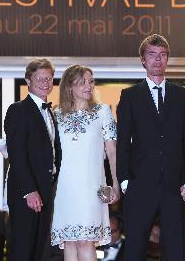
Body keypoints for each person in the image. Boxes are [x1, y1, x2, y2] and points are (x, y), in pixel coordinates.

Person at [116, 34, 185, 260]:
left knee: (176, 247)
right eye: (152, 55)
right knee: (134, 246)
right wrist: (124, 180)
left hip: (175, 185)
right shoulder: (129, 96)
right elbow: (123, 142)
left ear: (167, 59)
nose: (157, 60)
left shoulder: (182, 95)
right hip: (139, 183)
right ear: (143, 60)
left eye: (162, 55)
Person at [50, 65, 119, 260]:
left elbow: (112, 152)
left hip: (91, 186)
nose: (89, 86)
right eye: (83, 82)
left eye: (91, 81)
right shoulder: (56, 115)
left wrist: (115, 183)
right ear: (69, 86)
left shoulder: (102, 112)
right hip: (65, 188)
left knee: (85, 241)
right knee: (70, 242)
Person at [4, 58, 62, 261]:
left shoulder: (51, 113)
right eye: (40, 78)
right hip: (26, 193)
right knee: (23, 250)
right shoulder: (18, 110)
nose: (46, 82)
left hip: (46, 191)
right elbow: (17, 154)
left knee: (38, 251)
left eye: (49, 78)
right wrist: (30, 190)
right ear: (28, 80)